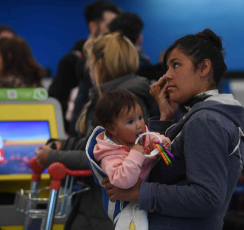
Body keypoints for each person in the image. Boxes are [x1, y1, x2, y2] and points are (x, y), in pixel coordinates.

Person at [102, 28, 244, 230]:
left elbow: (207, 197)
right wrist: (165, 119)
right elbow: (169, 169)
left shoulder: (206, 121)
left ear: (203, 68)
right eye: (167, 68)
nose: (166, 76)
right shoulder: (205, 116)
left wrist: (140, 192)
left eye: (176, 65)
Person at [35, 32, 155, 230]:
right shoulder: (120, 96)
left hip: (107, 211)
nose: (88, 68)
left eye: (90, 61)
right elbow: (95, 141)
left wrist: (54, 156)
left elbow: (99, 155)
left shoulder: (123, 101)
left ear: (100, 64)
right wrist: (64, 145)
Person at [92, 88, 171, 229]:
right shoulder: (109, 155)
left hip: (150, 195)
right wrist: (136, 154)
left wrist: (162, 141)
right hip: (128, 206)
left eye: (140, 117)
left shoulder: (141, 134)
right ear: (113, 129)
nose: (139, 125)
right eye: (130, 121)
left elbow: (152, 136)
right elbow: (123, 181)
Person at [50, 0, 121, 137]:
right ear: (93, 26)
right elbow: (58, 102)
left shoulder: (117, 61)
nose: (114, 32)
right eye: (110, 26)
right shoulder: (71, 61)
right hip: (75, 140)